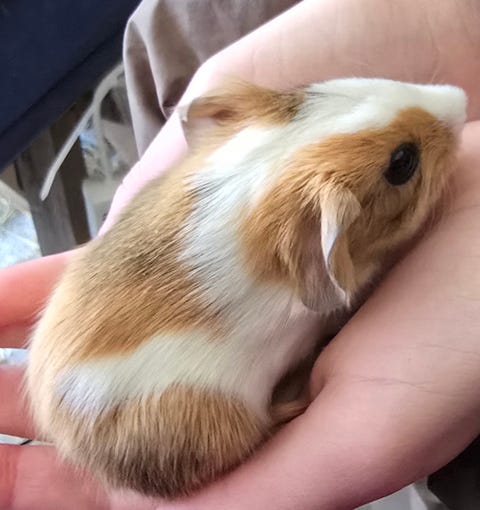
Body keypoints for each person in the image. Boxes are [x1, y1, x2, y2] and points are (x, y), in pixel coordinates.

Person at [1, 0, 480, 508]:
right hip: (143, 416)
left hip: (79, 358)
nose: (449, 103)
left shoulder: (246, 174)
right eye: (402, 163)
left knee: (164, 29)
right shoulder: (308, 262)